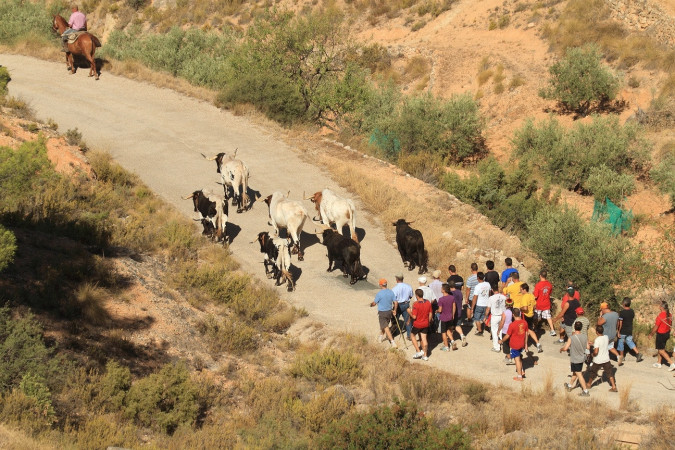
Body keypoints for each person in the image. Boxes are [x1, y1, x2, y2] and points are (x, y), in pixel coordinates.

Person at [561, 321, 590, 396]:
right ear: (581, 328)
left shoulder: (572, 337)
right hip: (581, 358)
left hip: (575, 359)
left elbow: (566, 348)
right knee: (575, 372)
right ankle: (570, 385)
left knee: (579, 374)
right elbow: (588, 347)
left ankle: (585, 391)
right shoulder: (585, 336)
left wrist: (561, 349)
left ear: (574, 327)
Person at [499, 308, 527, 381]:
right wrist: (526, 344)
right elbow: (526, 334)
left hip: (515, 344)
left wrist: (501, 340)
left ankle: (519, 376)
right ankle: (522, 371)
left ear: (513, 315)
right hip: (522, 343)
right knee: (519, 357)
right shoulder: (524, 322)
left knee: (517, 359)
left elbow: (507, 335)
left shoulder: (512, 325)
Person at [587, 325, 618, 392]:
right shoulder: (606, 337)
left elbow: (596, 351)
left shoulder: (597, 340)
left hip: (598, 360)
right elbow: (603, 344)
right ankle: (613, 386)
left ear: (596, 332)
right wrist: (593, 344)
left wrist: (593, 354)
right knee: (610, 373)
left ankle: (589, 384)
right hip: (606, 358)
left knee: (593, 372)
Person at [370, 279, 397, 348]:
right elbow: (396, 302)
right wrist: (395, 310)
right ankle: (380, 338)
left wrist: (371, 304)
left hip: (382, 313)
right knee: (384, 326)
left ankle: (392, 342)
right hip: (389, 312)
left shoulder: (379, 293)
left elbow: (374, 303)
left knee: (386, 327)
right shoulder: (391, 292)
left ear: (380, 285)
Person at [617, 297, 643, 366]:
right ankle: (637, 353)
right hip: (629, 329)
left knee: (620, 343)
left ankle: (622, 356)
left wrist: (618, 331)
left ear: (624, 304)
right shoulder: (632, 311)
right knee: (629, 341)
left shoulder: (622, 313)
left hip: (623, 330)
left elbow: (620, 323)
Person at [648, 301, 675, 370]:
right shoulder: (670, 315)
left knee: (661, 350)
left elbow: (656, 327)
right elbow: (670, 324)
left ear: (662, 307)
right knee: (661, 348)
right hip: (667, 334)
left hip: (661, 335)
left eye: (660, 306)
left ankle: (671, 363)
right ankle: (659, 363)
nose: (659, 307)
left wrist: (651, 334)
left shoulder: (661, 316)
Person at [409, 288, 432, 361]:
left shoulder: (416, 304)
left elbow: (414, 316)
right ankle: (425, 355)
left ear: (416, 295)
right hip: (425, 323)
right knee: (424, 339)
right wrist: (429, 321)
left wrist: (409, 312)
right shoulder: (428, 302)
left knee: (412, 335)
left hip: (418, 324)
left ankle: (418, 351)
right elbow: (430, 313)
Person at [519, 283, 542, 354]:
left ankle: (525, 347)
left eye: (521, 289)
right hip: (531, 314)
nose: (520, 290)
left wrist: (520, 308)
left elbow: (525, 308)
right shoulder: (531, 295)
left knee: (524, 331)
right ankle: (537, 343)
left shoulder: (524, 297)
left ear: (524, 289)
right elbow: (535, 306)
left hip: (525, 315)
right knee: (530, 330)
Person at [533, 269, 556, 336]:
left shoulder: (538, 285)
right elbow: (550, 293)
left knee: (536, 317)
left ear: (540, 276)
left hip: (539, 304)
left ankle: (535, 328)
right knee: (548, 316)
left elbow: (535, 296)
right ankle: (552, 330)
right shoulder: (549, 284)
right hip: (546, 303)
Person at [392, 274, 413, 341]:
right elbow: (411, 296)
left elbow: (393, 299)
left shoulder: (394, 288)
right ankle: (409, 334)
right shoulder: (408, 287)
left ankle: (394, 332)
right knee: (407, 320)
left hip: (397, 305)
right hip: (406, 304)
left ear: (397, 279)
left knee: (395, 319)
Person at [486, 287, 507, 352]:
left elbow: (488, 309)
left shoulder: (491, 298)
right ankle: (501, 342)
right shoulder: (504, 297)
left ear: (492, 290)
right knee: (501, 330)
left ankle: (496, 347)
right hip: (502, 315)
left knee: (494, 331)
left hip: (495, 316)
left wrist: (485, 316)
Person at [437, 283, 456, 351]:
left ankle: (446, 346)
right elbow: (454, 307)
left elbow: (440, 310)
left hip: (444, 317)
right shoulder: (452, 297)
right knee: (448, 330)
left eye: (442, 288)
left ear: (444, 290)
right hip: (450, 316)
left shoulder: (441, 299)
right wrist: (453, 315)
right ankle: (452, 341)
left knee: (443, 332)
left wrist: (436, 311)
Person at [449, 281, 467, 349]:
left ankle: (451, 340)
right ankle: (462, 335)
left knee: (450, 327)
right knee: (457, 325)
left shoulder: (451, 293)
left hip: (453, 312)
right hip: (459, 311)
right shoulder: (459, 292)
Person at [500, 298, 514, 364]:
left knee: (506, 344)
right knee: (511, 343)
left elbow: (502, 322)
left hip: (505, 330)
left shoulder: (505, 313)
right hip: (512, 329)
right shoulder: (514, 312)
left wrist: (499, 329)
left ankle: (509, 358)